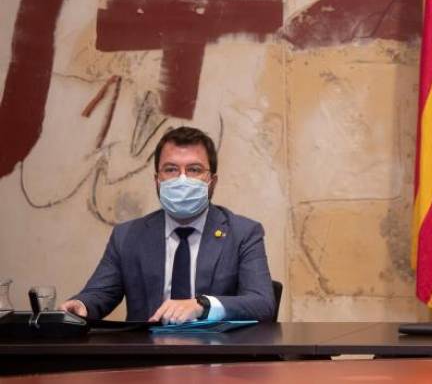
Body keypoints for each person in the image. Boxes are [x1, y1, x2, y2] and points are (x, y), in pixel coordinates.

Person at [60, 126, 275, 323]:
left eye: (194, 169)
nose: (182, 179)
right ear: (157, 180)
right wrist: (82, 304)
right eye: (171, 169)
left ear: (212, 181)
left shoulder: (243, 233)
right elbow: (100, 293)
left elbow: (262, 303)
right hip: (147, 349)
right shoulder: (127, 236)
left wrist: (202, 306)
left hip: (215, 348)